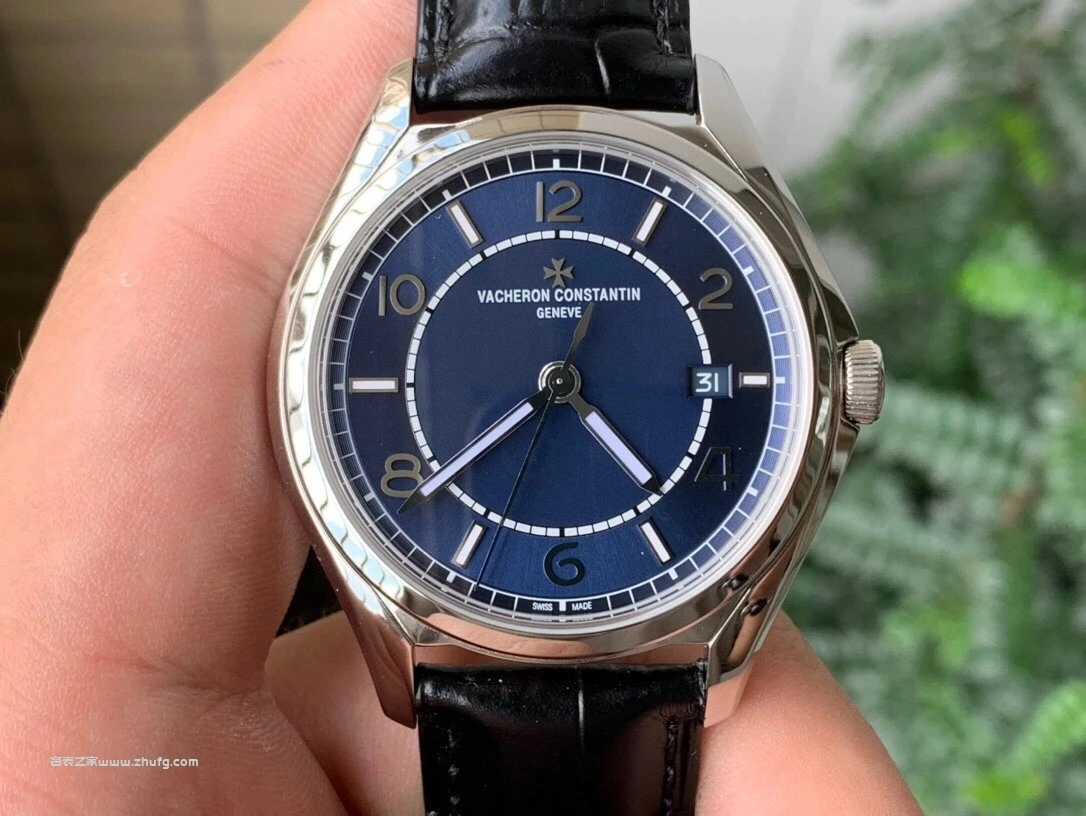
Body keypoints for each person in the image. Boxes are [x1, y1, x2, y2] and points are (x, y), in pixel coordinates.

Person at [0, 1, 925, 813]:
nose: (558, 383)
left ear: (841, 386)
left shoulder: (453, 151)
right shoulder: (456, 139)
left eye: (563, 380)